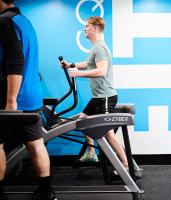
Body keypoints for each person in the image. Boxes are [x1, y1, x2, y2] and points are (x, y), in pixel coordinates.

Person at [0, 0, 57, 199]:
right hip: (32, 97)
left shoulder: (4, 22)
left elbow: (16, 61)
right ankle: (45, 191)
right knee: (35, 143)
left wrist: (11, 102)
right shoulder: (24, 21)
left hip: (13, 99)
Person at [61, 16, 128, 170]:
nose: (84, 29)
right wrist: (71, 64)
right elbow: (89, 63)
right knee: (83, 121)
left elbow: (101, 70)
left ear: (95, 28)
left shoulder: (99, 47)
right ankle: (91, 152)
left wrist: (77, 73)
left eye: (87, 26)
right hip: (98, 97)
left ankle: (125, 165)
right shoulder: (96, 47)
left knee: (108, 133)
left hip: (105, 97)